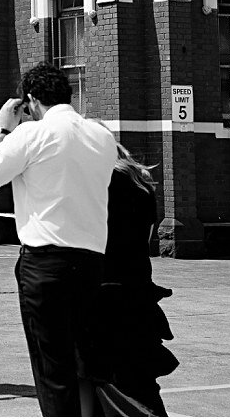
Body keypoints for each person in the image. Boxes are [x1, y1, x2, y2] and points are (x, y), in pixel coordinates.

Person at [0, 62, 117, 417]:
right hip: (92, 260)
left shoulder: (30, 135)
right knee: (86, 362)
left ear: (31, 101)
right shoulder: (101, 135)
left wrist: (3, 131)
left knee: (53, 369)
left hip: (46, 263)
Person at [90, 141, 177, 416]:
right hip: (137, 291)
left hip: (104, 292)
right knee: (140, 378)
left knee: (112, 378)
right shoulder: (142, 187)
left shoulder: (93, 186)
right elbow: (147, 239)